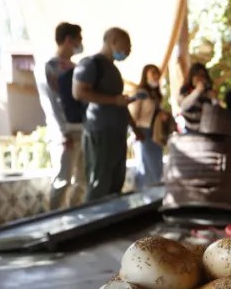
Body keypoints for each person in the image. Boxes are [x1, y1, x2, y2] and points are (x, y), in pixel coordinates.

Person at [72, 27, 143, 201]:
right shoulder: (90, 64)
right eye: (127, 45)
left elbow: (119, 103)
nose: (129, 50)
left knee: (115, 184)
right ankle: (93, 217)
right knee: (99, 184)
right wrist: (114, 100)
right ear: (113, 41)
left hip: (117, 132)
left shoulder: (113, 70)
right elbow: (79, 92)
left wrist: (134, 127)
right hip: (100, 132)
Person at [37, 21, 87, 209]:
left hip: (83, 128)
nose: (80, 43)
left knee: (82, 179)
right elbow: (50, 101)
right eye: (78, 39)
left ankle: (77, 217)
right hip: (64, 132)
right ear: (68, 39)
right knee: (63, 178)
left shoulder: (77, 67)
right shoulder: (49, 66)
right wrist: (62, 131)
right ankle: (55, 217)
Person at [129, 64, 168, 188]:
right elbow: (133, 114)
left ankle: (154, 193)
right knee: (145, 166)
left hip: (155, 133)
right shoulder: (140, 93)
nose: (156, 76)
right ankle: (145, 194)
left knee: (156, 166)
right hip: (143, 132)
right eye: (153, 73)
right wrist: (135, 131)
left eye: (157, 73)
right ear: (146, 75)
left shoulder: (155, 94)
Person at [178, 62, 218, 133]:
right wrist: (197, 91)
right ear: (192, 77)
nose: (200, 79)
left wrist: (214, 99)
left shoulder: (208, 92)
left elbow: (215, 112)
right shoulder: (185, 90)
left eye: (203, 76)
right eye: (197, 75)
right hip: (188, 130)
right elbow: (183, 106)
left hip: (206, 130)